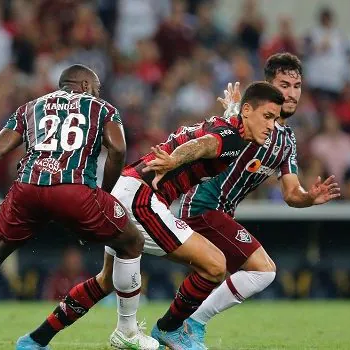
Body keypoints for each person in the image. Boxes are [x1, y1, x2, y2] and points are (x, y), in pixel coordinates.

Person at [21, 81, 285, 350]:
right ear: (248, 111)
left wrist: (233, 108)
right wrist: (175, 159)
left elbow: (219, 134)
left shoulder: (232, 127)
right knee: (215, 265)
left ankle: (35, 340)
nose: (272, 126)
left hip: (127, 188)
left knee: (106, 281)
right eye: (267, 116)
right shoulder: (232, 137)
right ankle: (169, 329)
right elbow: (205, 144)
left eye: (275, 119)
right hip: (143, 199)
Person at [0, 64, 158, 350]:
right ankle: (127, 330)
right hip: (74, 191)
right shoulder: (102, 108)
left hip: (28, 189)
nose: (97, 92)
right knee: (131, 242)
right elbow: (118, 148)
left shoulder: (31, 107)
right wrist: (106, 195)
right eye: (95, 88)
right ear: (85, 86)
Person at [176, 53, 341, 348]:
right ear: (268, 85)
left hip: (220, 213)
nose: (291, 93)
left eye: (297, 85)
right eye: (283, 84)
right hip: (202, 205)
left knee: (213, 276)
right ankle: (190, 325)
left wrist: (309, 198)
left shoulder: (286, 141)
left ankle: (174, 329)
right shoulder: (247, 118)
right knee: (263, 270)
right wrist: (232, 112)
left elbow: (292, 193)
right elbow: (214, 135)